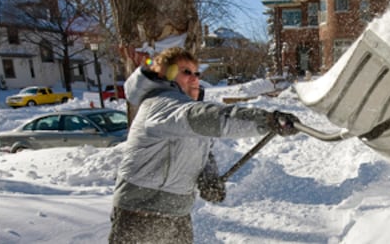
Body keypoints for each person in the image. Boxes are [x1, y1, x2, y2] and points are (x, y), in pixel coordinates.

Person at [110, 46, 297, 244]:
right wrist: (265, 120)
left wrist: (208, 177)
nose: (194, 78)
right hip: (140, 212)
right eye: (186, 72)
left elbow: (201, 151)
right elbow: (209, 118)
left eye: (196, 73)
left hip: (178, 213)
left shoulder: (186, 108)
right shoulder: (161, 104)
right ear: (167, 76)